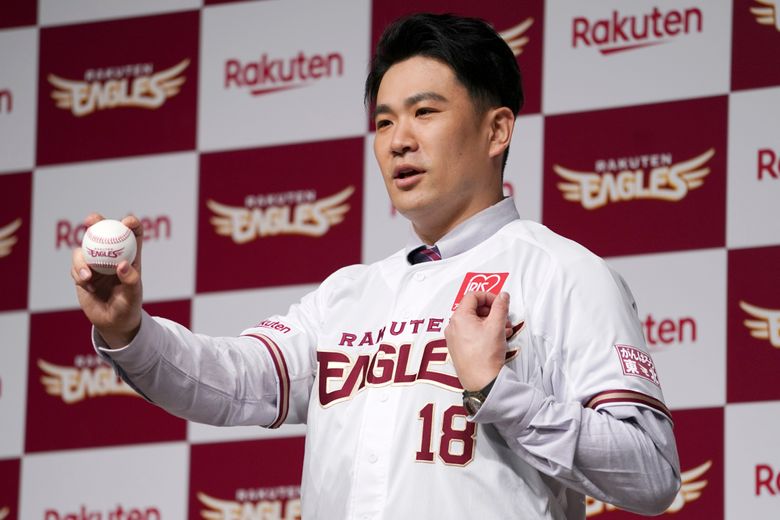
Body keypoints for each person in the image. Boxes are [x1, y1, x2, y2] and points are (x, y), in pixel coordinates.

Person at [72, 13, 680, 520]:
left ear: (497, 130)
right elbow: (229, 381)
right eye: (384, 120)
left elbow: (651, 473)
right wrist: (130, 330)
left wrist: (500, 394)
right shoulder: (349, 294)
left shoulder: (564, 273)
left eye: (425, 112)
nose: (397, 140)